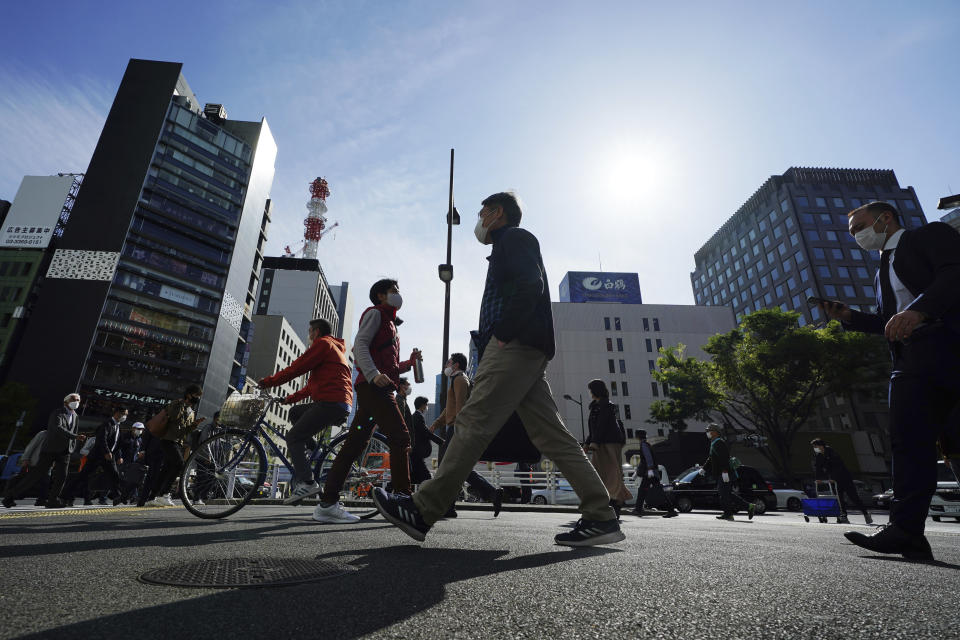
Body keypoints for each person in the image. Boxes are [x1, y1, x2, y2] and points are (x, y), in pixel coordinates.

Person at [373, 191, 623, 546]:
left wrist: (503, 336)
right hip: (525, 349)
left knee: (473, 421)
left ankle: (422, 509)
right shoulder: (509, 245)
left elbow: (529, 286)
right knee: (552, 435)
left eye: (482, 213)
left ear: (497, 213)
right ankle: (601, 516)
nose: (479, 220)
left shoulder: (515, 238)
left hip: (513, 346)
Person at [818, 201, 960, 561]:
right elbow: (887, 321)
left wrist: (920, 309)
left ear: (886, 218)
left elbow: (954, 274)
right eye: (851, 233)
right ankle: (906, 531)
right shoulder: (883, 270)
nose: (857, 236)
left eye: (860, 226)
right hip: (911, 360)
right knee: (908, 442)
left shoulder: (929, 236)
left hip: (949, 345)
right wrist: (850, 317)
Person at [315, 279, 420, 523]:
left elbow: (389, 366)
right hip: (375, 390)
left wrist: (408, 363)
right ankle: (403, 501)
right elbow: (359, 344)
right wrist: (373, 375)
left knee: (354, 444)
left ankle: (327, 503)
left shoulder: (390, 323)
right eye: (394, 290)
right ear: (381, 296)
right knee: (401, 437)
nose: (398, 294)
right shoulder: (376, 314)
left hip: (374, 389)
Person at [258, 318, 352, 515]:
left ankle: (308, 482)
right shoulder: (331, 349)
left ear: (316, 332)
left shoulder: (323, 344)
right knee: (294, 413)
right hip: (335, 400)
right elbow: (311, 387)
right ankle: (313, 451)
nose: (308, 336)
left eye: (310, 332)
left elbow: (296, 368)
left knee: (293, 437)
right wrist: (289, 399)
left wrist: (268, 381)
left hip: (330, 402)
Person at [430, 353, 504, 517]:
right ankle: (490, 493)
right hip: (455, 427)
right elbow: (450, 407)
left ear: (455, 365)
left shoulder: (460, 380)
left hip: (457, 429)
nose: (446, 365)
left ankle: (448, 506)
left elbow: (461, 408)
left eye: (448, 362)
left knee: (447, 467)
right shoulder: (457, 380)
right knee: (456, 469)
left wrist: (458, 431)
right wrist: (437, 423)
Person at [4, 393, 87, 509]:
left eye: (78, 400)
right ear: (66, 402)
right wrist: (75, 436)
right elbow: (58, 428)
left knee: (62, 476)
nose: (76, 402)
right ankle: (10, 496)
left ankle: (53, 500)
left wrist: (72, 444)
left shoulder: (76, 416)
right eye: (74, 399)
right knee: (35, 475)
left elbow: (75, 429)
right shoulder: (57, 413)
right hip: (50, 450)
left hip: (65, 451)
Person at [140, 385, 205, 508]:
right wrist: (183, 405)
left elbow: (184, 431)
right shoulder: (177, 403)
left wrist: (194, 425)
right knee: (179, 464)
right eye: (196, 395)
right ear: (189, 394)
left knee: (165, 469)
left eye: (199, 396)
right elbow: (174, 417)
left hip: (177, 442)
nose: (197, 398)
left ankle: (153, 497)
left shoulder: (191, 411)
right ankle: (164, 494)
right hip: (167, 439)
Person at [583, 379, 632, 518]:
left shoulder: (607, 405)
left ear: (595, 390)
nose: (589, 392)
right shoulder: (595, 406)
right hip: (600, 443)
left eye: (590, 389)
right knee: (601, 473)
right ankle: (613, 501)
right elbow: (594, 429)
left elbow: (602, 425)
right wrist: (587, 444)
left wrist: (593, 442)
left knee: (612, 473)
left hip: (609, 442)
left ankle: (615, 503)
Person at [64, 404, 127, 506]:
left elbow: (116, 444)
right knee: (83, 476)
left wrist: (118, 456)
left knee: (114, 475)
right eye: (124, 414)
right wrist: (106, 452)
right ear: (117, 413)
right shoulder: (107, 424)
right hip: (97, 456)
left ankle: (117, 497)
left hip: (109, 457)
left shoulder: (118, 426)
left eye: (126, 415)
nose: (125, 417)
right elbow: (101, 440)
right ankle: (66, 496)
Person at [699, 424, 755, 521]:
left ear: (715, 432)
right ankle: (748, 507)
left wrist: (725, 472)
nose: (707, 432)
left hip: (725, 473)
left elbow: (724, 458)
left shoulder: (719, 442)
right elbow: (711, 458)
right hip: (722, 473)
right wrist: (704, 468)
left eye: (709, 430)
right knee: (726, 493)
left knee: (723, 494)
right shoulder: (714, 443)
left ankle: (729, 514)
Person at [810, 439, 872, 525]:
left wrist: (834, 477)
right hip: (835, 480)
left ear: (821, 445)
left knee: (853, 497)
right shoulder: (819, 455)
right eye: (813, 447)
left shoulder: (831, 452)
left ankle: (866, 514)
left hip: (844, 477)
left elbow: (838, 465)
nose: (814, 448)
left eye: (815, 446)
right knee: (839, 499)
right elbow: (818, 467)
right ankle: (844, 516)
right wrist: (818, 478)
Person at [632, 429, 678, 518]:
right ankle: (671, 510)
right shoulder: (647, 444)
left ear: (637, 436)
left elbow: (648, 458)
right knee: (655, 491)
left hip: (649, 473)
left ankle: (638, 509)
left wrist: (649, 469)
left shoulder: (644, 445)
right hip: (652, 472)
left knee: (642, 490)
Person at [118, 421, 148, 504]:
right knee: (123, 480)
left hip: (134, 463)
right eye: (138, 429)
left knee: (133, 480)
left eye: (141, 429)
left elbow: (139, 450)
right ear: (133, 428)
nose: (140, 431)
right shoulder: (125, 437)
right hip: (124, 461)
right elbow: (119, 448)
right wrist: (119, 457)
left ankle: (133, 497)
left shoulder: (140, 439)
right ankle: (124, 497)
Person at [409, 395, 433, 486]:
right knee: (427, 477)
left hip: (416, 453)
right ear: (422, 405)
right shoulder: (418, 417)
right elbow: (426, 432)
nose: (427, 407)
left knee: (415, 477)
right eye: (426, 404)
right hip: (417, 452)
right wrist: (441, 442)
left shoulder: (416, 416)